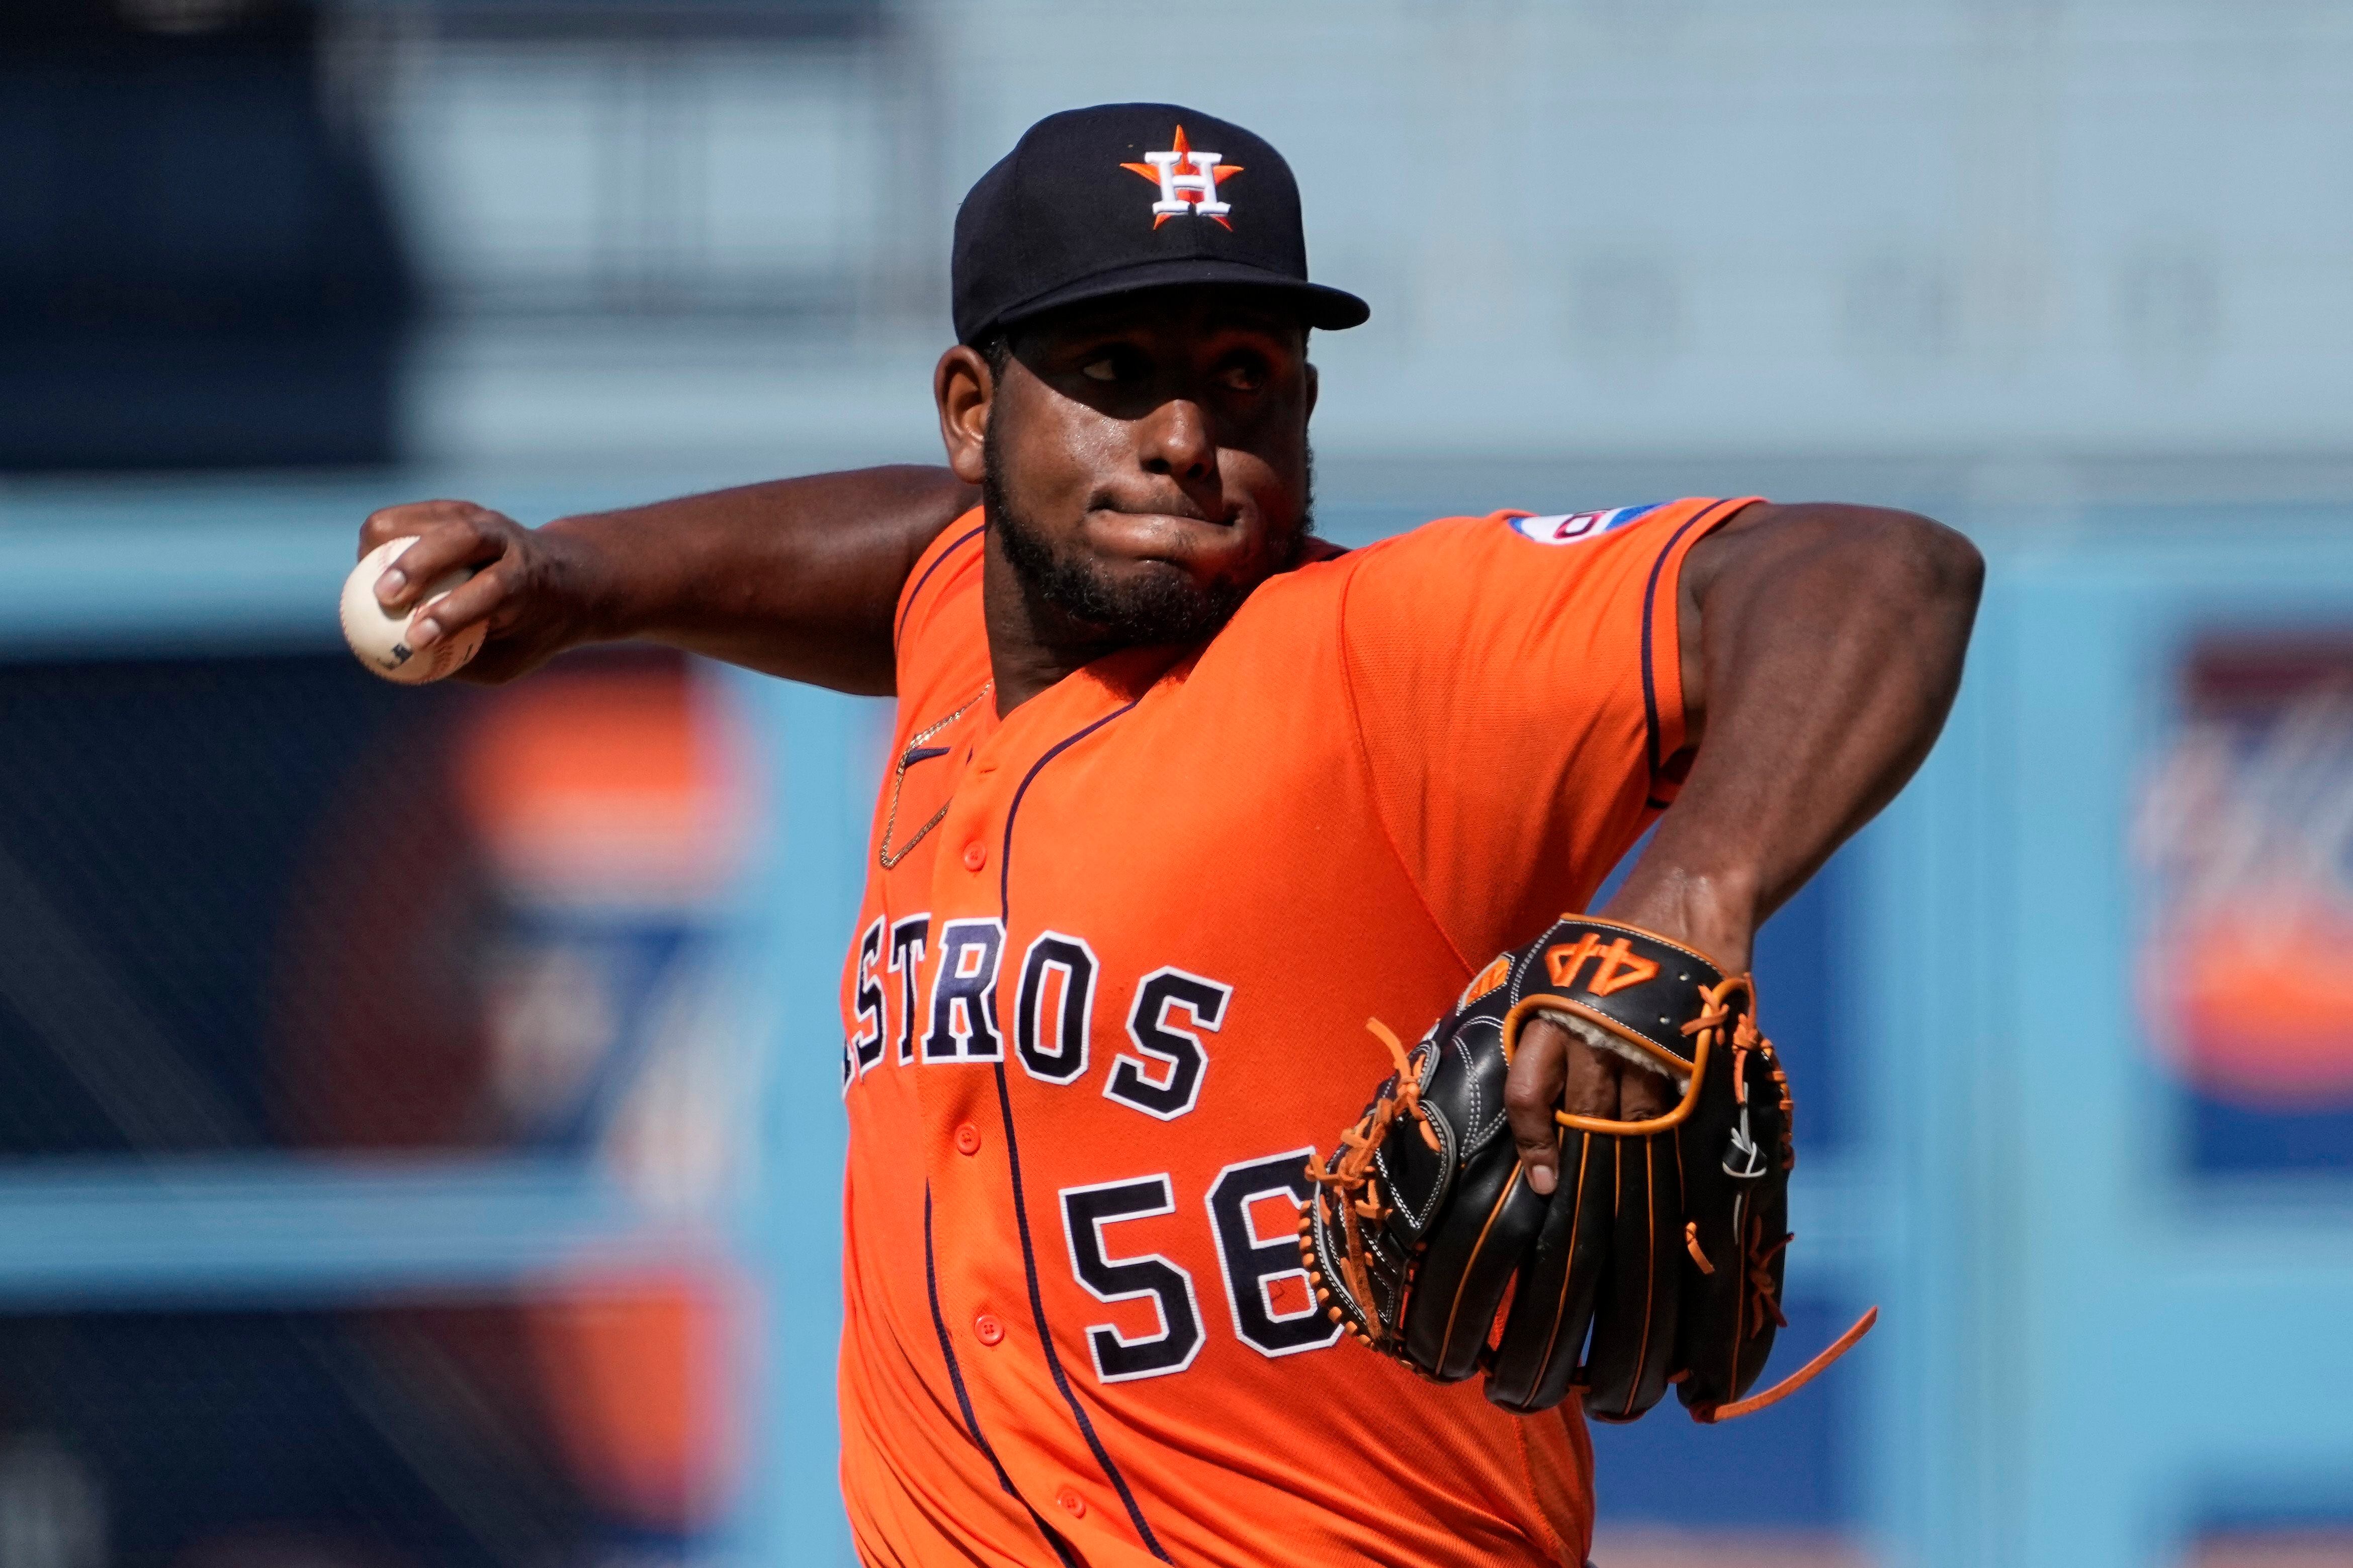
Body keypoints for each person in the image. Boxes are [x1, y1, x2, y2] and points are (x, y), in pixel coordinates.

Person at [360, 104, 1980, 1568]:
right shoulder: (959, 637)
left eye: (1241, 378)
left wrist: (1697, 889)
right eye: (1117, 375)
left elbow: (1875, 572)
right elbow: (921, 553)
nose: (1186, 438)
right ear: (972, 411)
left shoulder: (1378, 655)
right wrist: (585, 579)